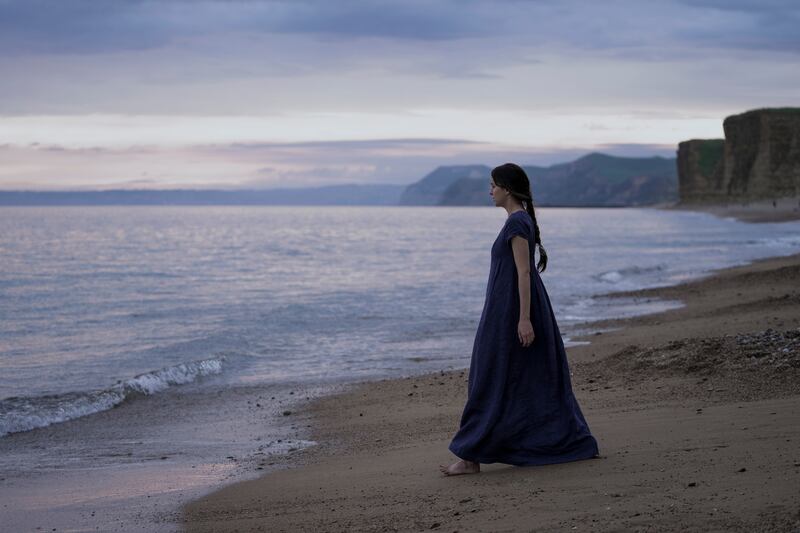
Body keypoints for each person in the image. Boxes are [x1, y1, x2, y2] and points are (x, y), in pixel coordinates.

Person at [439, 163, 599, 476]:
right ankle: (479, 452)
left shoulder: (517, 223)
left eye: (493, 185)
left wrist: (524, 320)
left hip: (513, 311)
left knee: (488, 378)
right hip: (505, 309)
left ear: (507, 189)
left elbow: (524, 273)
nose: (490, 191)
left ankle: (471, 457)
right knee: (515, 378)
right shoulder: (518, 221)